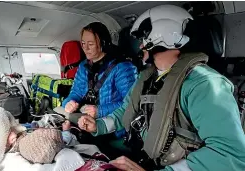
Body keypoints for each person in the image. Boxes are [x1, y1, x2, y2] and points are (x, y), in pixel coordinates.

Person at [81, 5, 245, 171]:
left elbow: (228, 154)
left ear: (163, 36)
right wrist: (98, 126)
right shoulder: (147, 78)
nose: (140, 45)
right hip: (148, 159)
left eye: (143, 38)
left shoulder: (204, 84)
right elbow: (125, 111)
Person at [61, 22, 138, 151]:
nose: (86, 48)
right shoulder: (83, 66)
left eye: (90, 44)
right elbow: (76, 92)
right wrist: (69, 102)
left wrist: (100, 110)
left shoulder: (123, 68)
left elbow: (131, 105)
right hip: (85, 119)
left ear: (103, 43)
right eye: (83, 44)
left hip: (111, 124)